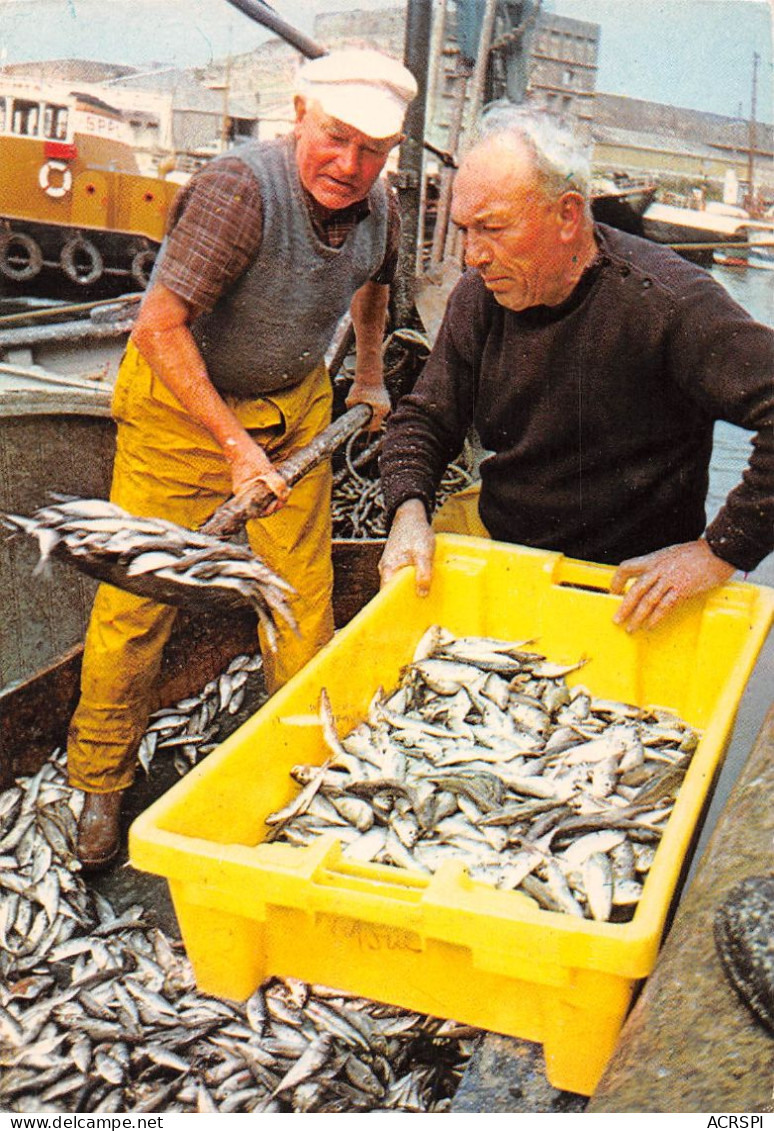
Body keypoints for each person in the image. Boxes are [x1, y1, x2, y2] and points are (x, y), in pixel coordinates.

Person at [69, 48, 418, 870]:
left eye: (373, 151)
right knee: (138, 602)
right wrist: (231, 447)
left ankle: (302, 759)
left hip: (295, 409)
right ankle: (99, 780)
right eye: (335, 138)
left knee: (301, 598)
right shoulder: (239, 193)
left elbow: (372, 283)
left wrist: (366, 375)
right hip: (181, 418)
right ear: (300, 114)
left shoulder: (380, 207)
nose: (351, 165)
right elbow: (157, 326)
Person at [379, 103, 773, 625]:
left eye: (493, 228)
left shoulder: (667, 304)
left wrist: (720, 552)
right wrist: (408, 511)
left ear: (568, 215)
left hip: (630, 585)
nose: (473, 255)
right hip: (507, 547)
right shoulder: (481, 296)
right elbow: (425, 417)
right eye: (464, 229)